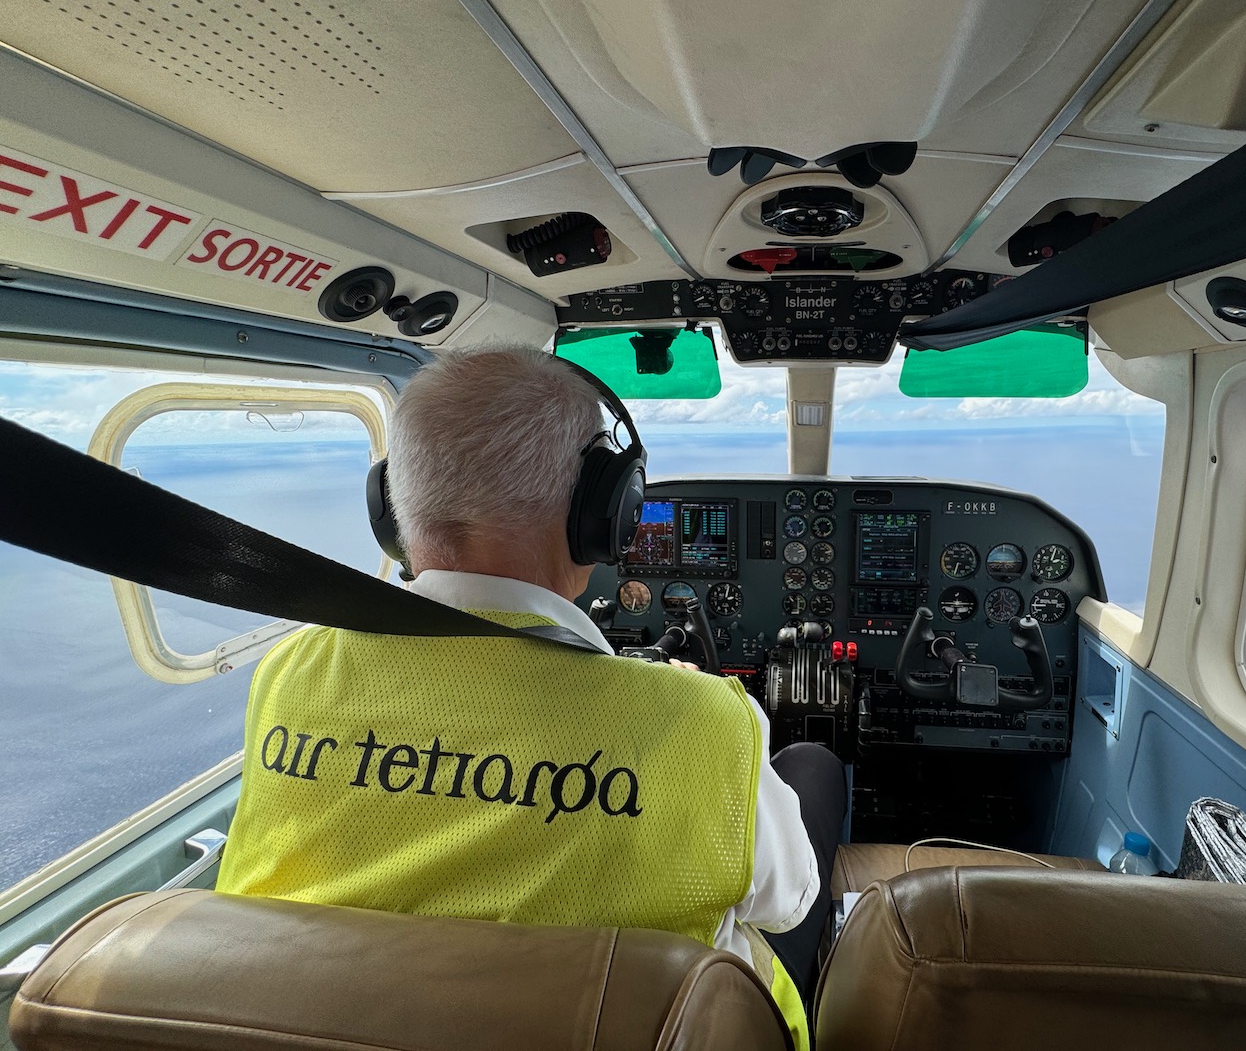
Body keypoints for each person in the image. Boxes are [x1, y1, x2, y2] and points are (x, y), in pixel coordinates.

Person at [217, 345, 844, 1048]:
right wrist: (697, 709)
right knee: (814, 767)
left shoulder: (290, 671)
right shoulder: (704, 722)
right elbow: (788, 902)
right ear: (604, 509)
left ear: (391, 508)